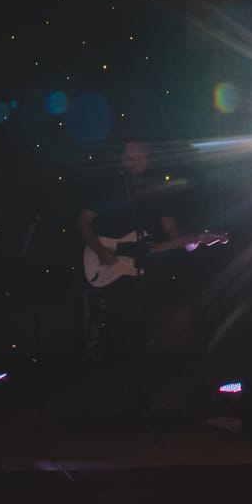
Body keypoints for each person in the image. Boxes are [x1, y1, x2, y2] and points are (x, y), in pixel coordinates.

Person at [76, 140, 225, 373]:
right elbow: (83, 222)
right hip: (112, 268)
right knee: (119, 326)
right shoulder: (110, 189)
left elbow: (173, 234)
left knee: (145, 327)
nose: (134, 163)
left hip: (145, 269)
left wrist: (195, 240)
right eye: (129, 158)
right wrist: (99, 250)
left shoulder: (159, 193)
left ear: (148, 159)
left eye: (139, 157)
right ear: (121, 161)